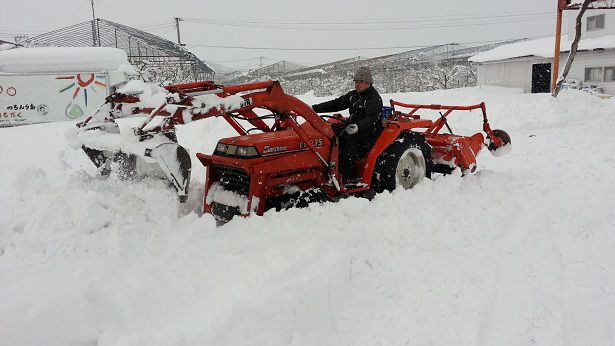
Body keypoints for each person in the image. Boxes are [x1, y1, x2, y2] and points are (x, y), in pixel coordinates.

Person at [312, 66, 383, 182]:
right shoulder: (353, 95)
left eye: (360, 82)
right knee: (329, 131)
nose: (357, 84)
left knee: (349, 142)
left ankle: (348, 175)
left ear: (368, 82)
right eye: (356, 81)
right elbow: (336, 104)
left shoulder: (374, 99)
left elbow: (371, 118)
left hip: (368, 131)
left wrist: (358, 127)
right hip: (352, 126)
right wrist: (314, 109)